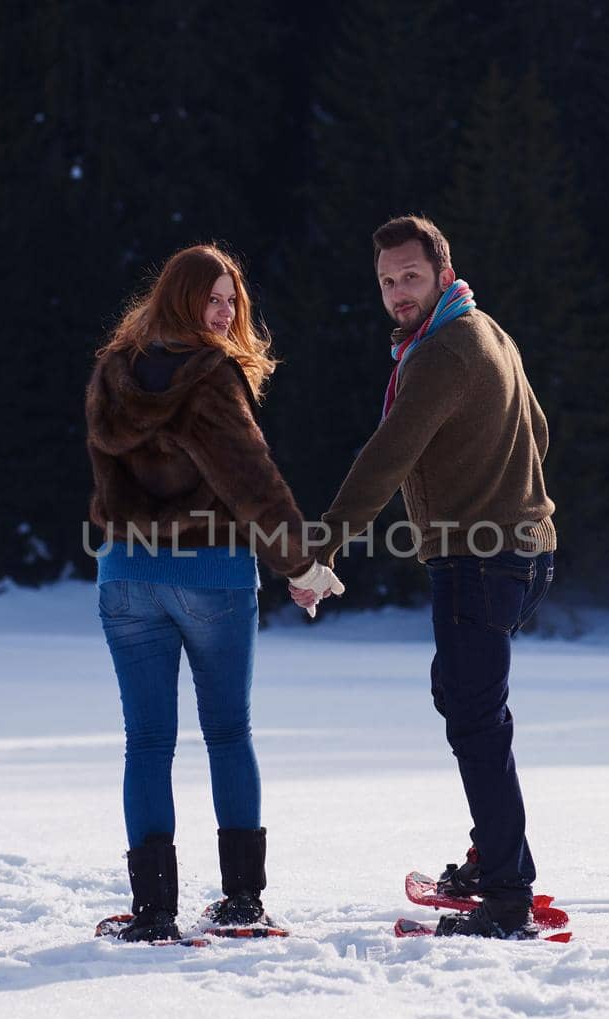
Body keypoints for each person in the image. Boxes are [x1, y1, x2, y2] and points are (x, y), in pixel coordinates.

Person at [292, 215, 556, 938]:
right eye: (385, 281)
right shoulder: (484, 329)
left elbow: (388, 456)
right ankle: (495, 855)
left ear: (442, 271)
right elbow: (537, 427)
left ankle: (506, 896)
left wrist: (324, 549)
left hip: (480, 559)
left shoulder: (443, 353)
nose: (398, 292)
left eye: (410, 276)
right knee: (465, 700)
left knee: (475, 721)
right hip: (523, 553)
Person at [86, 244, 343, 942]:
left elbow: (108, 482)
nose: (225, 310)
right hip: (211, 574)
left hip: (126, 574)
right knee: (228, 733)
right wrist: (302, 565)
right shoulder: (209, 376)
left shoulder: (114, 371)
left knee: (147, 742)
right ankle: (240, 904)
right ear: (179, 298)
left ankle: (153, 914)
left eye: (232, 298)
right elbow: (250, 480)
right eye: (212, 297)